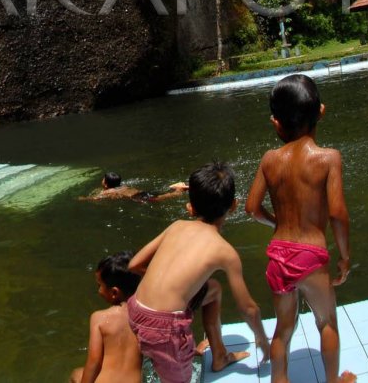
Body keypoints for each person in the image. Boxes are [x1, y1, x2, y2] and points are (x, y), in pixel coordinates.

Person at [245, 74, 355, 383]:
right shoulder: (329, 159)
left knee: (283, 329)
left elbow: (252, 209)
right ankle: (334, 381)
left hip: (278, 255)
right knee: (327, 322)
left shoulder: (269, 160)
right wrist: (344, 256)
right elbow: (337, 213)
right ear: (321, 111)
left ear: (276, 123)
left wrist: (278, 224)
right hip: (311, 254)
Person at [127, 161, 269, 383]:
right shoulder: (225, 251)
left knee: (213, 289)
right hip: (165, 328)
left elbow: (134, 265)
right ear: (233, 205)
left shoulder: (176, 226)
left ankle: (219, 355)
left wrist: (167, 290)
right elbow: (248, 308)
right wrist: (263, 341)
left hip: (135, 310)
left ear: (190, 206)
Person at [69, 251, 143, 383]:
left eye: (100, 285)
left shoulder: (99, 318)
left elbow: (94, 362)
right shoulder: (147, 318)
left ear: (114, 292)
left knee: (76, 374)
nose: (98, 291)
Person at [81, 172, 188, 203]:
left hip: (139, 197)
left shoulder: (108, 192)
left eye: (103, 179)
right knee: (158, 193)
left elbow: (95, 198)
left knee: (161, 198)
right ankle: (175, 187)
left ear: (105, 184)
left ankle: (178, 191)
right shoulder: (123, 186)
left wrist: (83, 199)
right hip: (141, 192)